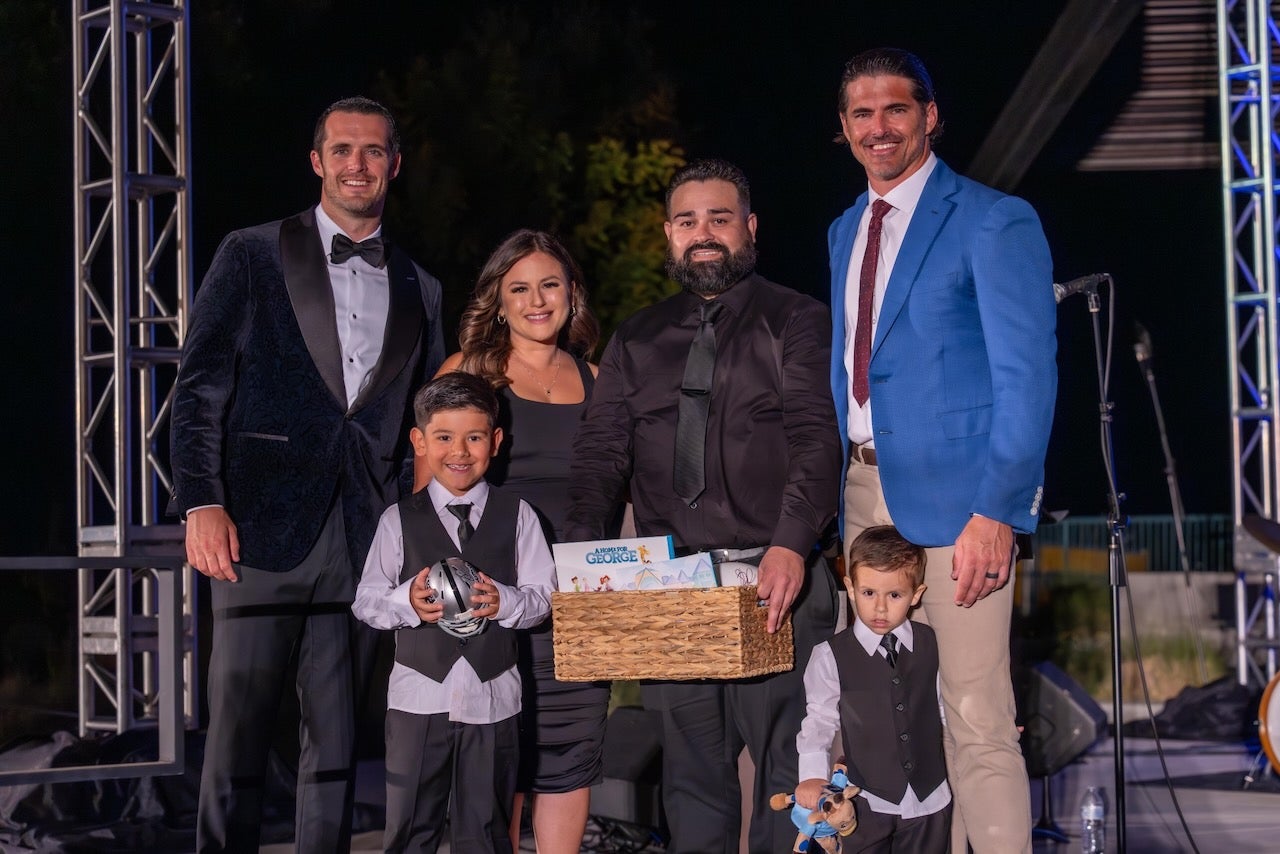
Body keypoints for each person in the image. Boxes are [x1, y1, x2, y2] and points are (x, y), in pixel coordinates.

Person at [171, 96, 445, 852]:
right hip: (255, 525)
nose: (359, 164)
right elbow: (199, 389)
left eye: (374, 151)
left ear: (395, 163)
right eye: (344, 150)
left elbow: (424, 424)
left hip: (361, 532)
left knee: (335, 738)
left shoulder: (423, 287)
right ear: (318, 161)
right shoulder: (252, 252)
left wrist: (417, 533)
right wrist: (201, 502)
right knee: (239, 730)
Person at [565, 158, 842, 854]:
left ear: (749, 227)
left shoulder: (798, 319)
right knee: (690, 780)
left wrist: (791, 542)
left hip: (776, 579)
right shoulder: (635, 337)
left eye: (720, 218)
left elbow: (817, 441)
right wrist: (578, 563)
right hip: (675, 587)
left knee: (790, 772)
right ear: (669, 234)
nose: (704, 234)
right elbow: (602, 461)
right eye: (688, 221)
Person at [828, 48, 1057, 853]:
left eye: (895, 109)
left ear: (931, 116)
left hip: (960, 506)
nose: (878, 126)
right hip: (862, 498)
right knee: (889, 724)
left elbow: (1027, 377)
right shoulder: (843, 229)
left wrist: (998, 509)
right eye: (861, 112)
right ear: (844, 128)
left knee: (975, 716)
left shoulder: (993, 219)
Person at [434, 229, 610, 854]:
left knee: (571, 752)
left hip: (580, 606)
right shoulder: (469, 373)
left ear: (571, 294)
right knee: (498, 760)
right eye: (519, 288)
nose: (537, 300)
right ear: (498, 301)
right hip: (494, 605)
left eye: (550, 284)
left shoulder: (598, 379)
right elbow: (428, 498)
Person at [352, 372, 555, 853]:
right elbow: (367, 600)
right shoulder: (397, 518)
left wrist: (507, 601)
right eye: (444, 437)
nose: (459, 451)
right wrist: (407, 601)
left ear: (496, 441)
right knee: (410, 833)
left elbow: (544, 596)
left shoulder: (519, 514)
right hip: (417, 700)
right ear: (420, 442)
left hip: (495, 698)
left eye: (474, 437)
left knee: (486, 833)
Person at [795, 525, 951, 853]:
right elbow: (819, 719)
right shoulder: (829, 656)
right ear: (850, 588)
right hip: (867, 801)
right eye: (869, 593)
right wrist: (811, 775)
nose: (880, 608)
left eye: (894, 595)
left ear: (916, 594)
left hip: (930, 800)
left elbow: (944, 706)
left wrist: (987, 721)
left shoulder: (933, 644)